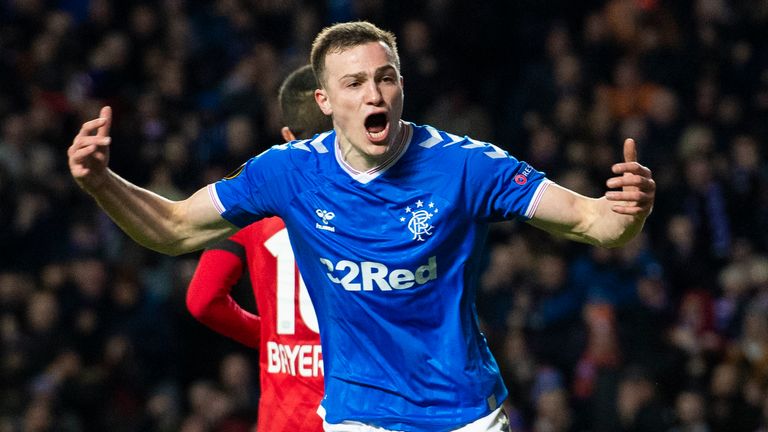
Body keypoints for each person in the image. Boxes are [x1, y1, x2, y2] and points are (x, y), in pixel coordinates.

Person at [68, 21, 655, 432]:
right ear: (325, 100)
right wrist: (102, 182)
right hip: (356, 415)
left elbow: (589, 221)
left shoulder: (466, 165)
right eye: (355, 83)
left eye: (387, 77)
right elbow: (171, 229)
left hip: (464, 414)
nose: (376, 93)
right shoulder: (289, 173)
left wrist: (625, 215)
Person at [185, 65, 332, 431]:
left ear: (286, 135)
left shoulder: (250, 199)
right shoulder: (373, 204)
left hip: (282, 420)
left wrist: (269, 335)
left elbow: (202, 299)